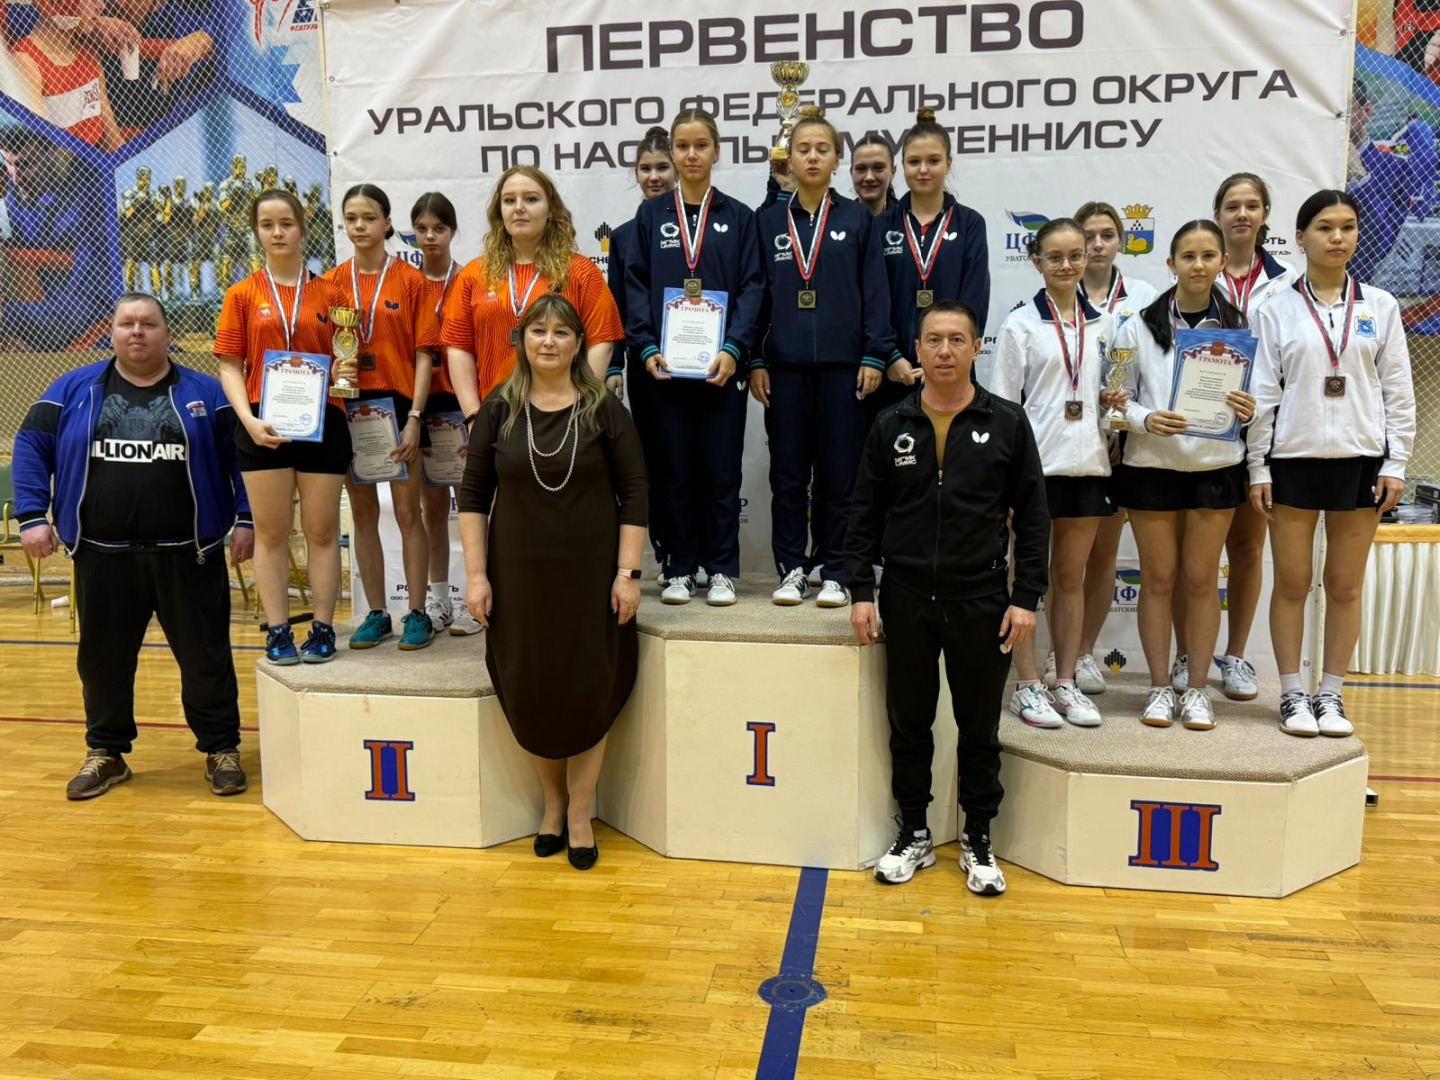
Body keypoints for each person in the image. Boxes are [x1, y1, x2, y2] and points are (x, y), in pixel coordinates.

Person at [12, 293, 253, 799]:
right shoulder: (73, 389)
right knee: (102, 662)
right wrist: (33, 515)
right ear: (113, 333)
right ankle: (106, 752)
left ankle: (221, 749)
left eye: (148, 323)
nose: (137, 332)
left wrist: (248, 519)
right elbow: (31, 445)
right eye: (127, 324)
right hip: (102, 555)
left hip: (190, 553)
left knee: (206, 658)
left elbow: (243, 458)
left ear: (168, 334)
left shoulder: (206, 393)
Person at [847, 299, 1048, 895]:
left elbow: (1034, 518)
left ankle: (978, 836)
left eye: (957, 340)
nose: (944, 351)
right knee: (909, 724)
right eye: (933, 340)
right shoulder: (891, 424)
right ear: (917, 349)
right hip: (905, 597)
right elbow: (863, 514)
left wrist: (1026, 597)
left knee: (978, 727)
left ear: (976, 348)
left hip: (982, 599)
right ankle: (913, 831)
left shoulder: (1007, 422)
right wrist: (861, 590)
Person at [459, 295, 647, 871]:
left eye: (561, 333)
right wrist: (476, 576)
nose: (548, 341)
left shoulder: (604, 409)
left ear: (578, 344)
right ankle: (552, 804)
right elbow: (473, 496)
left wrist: (628, 575)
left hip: (591, 578)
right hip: (518, 579)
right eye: (537, 331)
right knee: (533, 687)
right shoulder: (499, 408)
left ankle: (581, 812)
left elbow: (636, 493)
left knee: (588, 686)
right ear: (521, 340)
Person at [1247, 190, 1415, 737]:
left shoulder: (1380, 306)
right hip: (1293, 460)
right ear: (1300, 238)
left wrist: (1396, 462)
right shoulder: (1275, 309)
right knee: (1292, 583)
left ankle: (1331, 695)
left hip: (1362, 462)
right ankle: (1293, 694)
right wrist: (1258, 466)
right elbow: (1264, 393)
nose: (1337, 237)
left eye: (1347, 227)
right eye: (1324, 227)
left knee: (1344, 585)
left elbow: (1398, 390)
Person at [1111, 222, 1256, 730]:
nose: (1198, 265)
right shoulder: (1135, 326)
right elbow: (1113, 402)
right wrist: (1143, 419)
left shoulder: (1242, 328)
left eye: (1208, 255)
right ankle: (1157, 687)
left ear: (1222, 262)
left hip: (1216, 467)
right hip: (1152, 467)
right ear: (1170, 263)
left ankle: (1196, 690)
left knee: (1200, 581)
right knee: (1157, 580)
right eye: (1188, 256)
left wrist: (1250, 408)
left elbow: (1260, 397)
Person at [621, 106, 764, 606]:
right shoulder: (650, 216)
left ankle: (721, 568)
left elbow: (752, 286)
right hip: (664, 369)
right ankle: (679, 567)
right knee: (673, 469)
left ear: (717, 151)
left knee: (721, 470)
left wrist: (735, 347)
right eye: (682, 146)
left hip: (720, 367)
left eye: (701, 145)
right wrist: (646, 344)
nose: (691, 154)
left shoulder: (740, 217)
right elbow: (635, 285)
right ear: (672, 152)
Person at [751, 108, 894, 609]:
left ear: (837, 161)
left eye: (822, 149)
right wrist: (755, 361)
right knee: (788, 474)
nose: (812, 157)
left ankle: (836, 569)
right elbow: (756, 298)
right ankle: (792, 568)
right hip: (785, 369)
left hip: (843, 368)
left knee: (841, 474)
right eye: (803, 149)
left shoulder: (857, 219)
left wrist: (875, 354)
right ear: (787, 160)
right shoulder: (767, 222)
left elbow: (875, 292)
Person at [1170, 172, 1298, 702]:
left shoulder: (1290, 282)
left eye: (1251, 205)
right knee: (1191, 559)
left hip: (1264, 432)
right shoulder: (1197, 275)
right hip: (1202, 433)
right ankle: (1186, 654)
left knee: (1247, 547)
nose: (1241, 214)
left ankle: (1237, 656)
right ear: (1218, 213)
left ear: (1266, 214)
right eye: (1231, 205)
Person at [214, 187, 352, 665]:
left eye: (286, 224)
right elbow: (230, 365)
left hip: (323, 422)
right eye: (267, 225)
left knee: (321, 531)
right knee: (272, 534)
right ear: (257, 232)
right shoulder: (242, 294)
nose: (277, 233)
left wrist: (345, 372)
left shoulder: (332, 294)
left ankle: (323, 629)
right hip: (262, 425)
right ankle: (277, 631)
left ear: (303, 229)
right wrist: (248, 420)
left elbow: (347, 360)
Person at [991, 217, 1115, 729]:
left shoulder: (1106, 323)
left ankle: (1065, 681)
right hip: (1034, 472)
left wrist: (1113, 400)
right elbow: (1002, 409)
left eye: (1075, 255)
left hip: (1089, 466)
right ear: (1036, 262)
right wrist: (1004, 480)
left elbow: (1111, 392)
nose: (1067, 265)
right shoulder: (1020, 325)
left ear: (1087, 258)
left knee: (1070, 578)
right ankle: (1025, 685)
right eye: (1056, 257)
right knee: (1025, 577)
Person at [322, 184, 439, 651]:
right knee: (363, 514)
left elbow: (425, 354)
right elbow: (323, 349)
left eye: (369, 217)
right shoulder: (330, 284)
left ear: (388, 223)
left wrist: (416, 417)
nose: (359, 226)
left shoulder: (412, 281)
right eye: (351, 218)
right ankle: (376, 613)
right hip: (350, 404)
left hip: (399, 406)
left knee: (408, 512)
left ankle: (417, 612)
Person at [1070, 200, 1161, 697]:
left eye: (1107, 235)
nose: (1097, 244)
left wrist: (1121, 432)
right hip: (1072, 441)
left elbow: (1148, 375)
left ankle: (1084, 652)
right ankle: (1060, 653)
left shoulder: (1145, 297)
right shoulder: (1061, 293)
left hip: (1123, 445)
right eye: (1088, 236)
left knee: (1104, 554)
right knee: (1065, 559)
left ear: (1121, 241)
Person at [443, 166, 622, 420]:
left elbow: (600, 343)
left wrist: (579, 410)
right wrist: (474, 418)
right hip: (494, 417)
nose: (518, 208)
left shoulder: (582, 272)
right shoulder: (473, 275)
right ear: (499, 212)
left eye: (530, 199)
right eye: (509, 200)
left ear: (551, 210)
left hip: (563, 418)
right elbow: (459, 348)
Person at [877, 109, 990, 416]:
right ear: (902, 167)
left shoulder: (970, 224)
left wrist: (947, 356)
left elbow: (973, 300)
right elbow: (874, 300)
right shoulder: (881, 226)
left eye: (934, 161)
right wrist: (890, 356)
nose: (923, 170)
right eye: (914, 162)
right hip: (894, 371)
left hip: (951, 368)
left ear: (948, 164)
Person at [410, 190, 483, 637]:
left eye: (439, 228)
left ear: (453, 231)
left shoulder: (470, 279)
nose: (430, 236)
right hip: (424, 406)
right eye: (422, 229)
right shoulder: (407, 283)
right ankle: (439, 602)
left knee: (472, 505)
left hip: (464, 403)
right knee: (432, 508)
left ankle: (479, 600)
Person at [605, 127, 676, 583]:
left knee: (698, 461)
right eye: (646, 168)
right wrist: (615, 364)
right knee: (656, 462)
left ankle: (704, 558)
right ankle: (670, 554)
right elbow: (615, 305)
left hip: (703, 366)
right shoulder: (625, 236)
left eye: (662, 167)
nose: (654, 177)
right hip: (647, 366)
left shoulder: (700, 228)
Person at [10, 0, 123, 151]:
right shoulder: (26, 62)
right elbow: (37, 150)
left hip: (96, 161)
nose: (101, 6)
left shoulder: (88, 53)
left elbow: (114, 142)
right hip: (56, 164)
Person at [849, 133, 898, 216]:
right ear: (851, 172)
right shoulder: (838, 220)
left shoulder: (906, 219)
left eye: (878, 168)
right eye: (861, 169)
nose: (869, 177)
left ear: (893, 172)